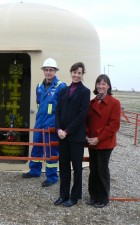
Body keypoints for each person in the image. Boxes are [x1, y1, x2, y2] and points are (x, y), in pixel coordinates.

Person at [22, 58, 66, 187]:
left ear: (55, 71)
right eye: (46, 70)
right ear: (43, 71)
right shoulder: (39, 86)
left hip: (52, 124)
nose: (48, 72)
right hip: (39, 122)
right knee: (36, 146)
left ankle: (52, 177)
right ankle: (34, 171)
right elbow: (39, 103)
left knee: (51, 150)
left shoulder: (60, 86)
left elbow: (64, 107)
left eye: (51, 70)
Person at [54, 62, 90, 207]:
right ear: (71, 73)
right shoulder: (64, 90)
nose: (76, 75)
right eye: (74, 72)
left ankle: (74, 197)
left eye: (79, 73)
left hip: (75, 137)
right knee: (63, 167)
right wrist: (58, 129)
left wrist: (67, 131)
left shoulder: (85, 92)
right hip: (62, 136)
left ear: (82, 75)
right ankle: (63, 195)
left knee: (76, 168)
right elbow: (58, 112)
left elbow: (82, 115)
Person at [85, 74, 121, 208]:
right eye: (99, 83)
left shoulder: (114, 103)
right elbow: (86, 121)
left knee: (102, 169)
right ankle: (93, 196)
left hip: (105, 142)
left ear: (108, 86)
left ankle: (103, 197)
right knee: (93, 169)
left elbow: (114, 125)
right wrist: (87, 135)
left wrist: (99, 138)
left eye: (103, 84)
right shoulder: (92, 102)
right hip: (92, 141)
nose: (101, 86)